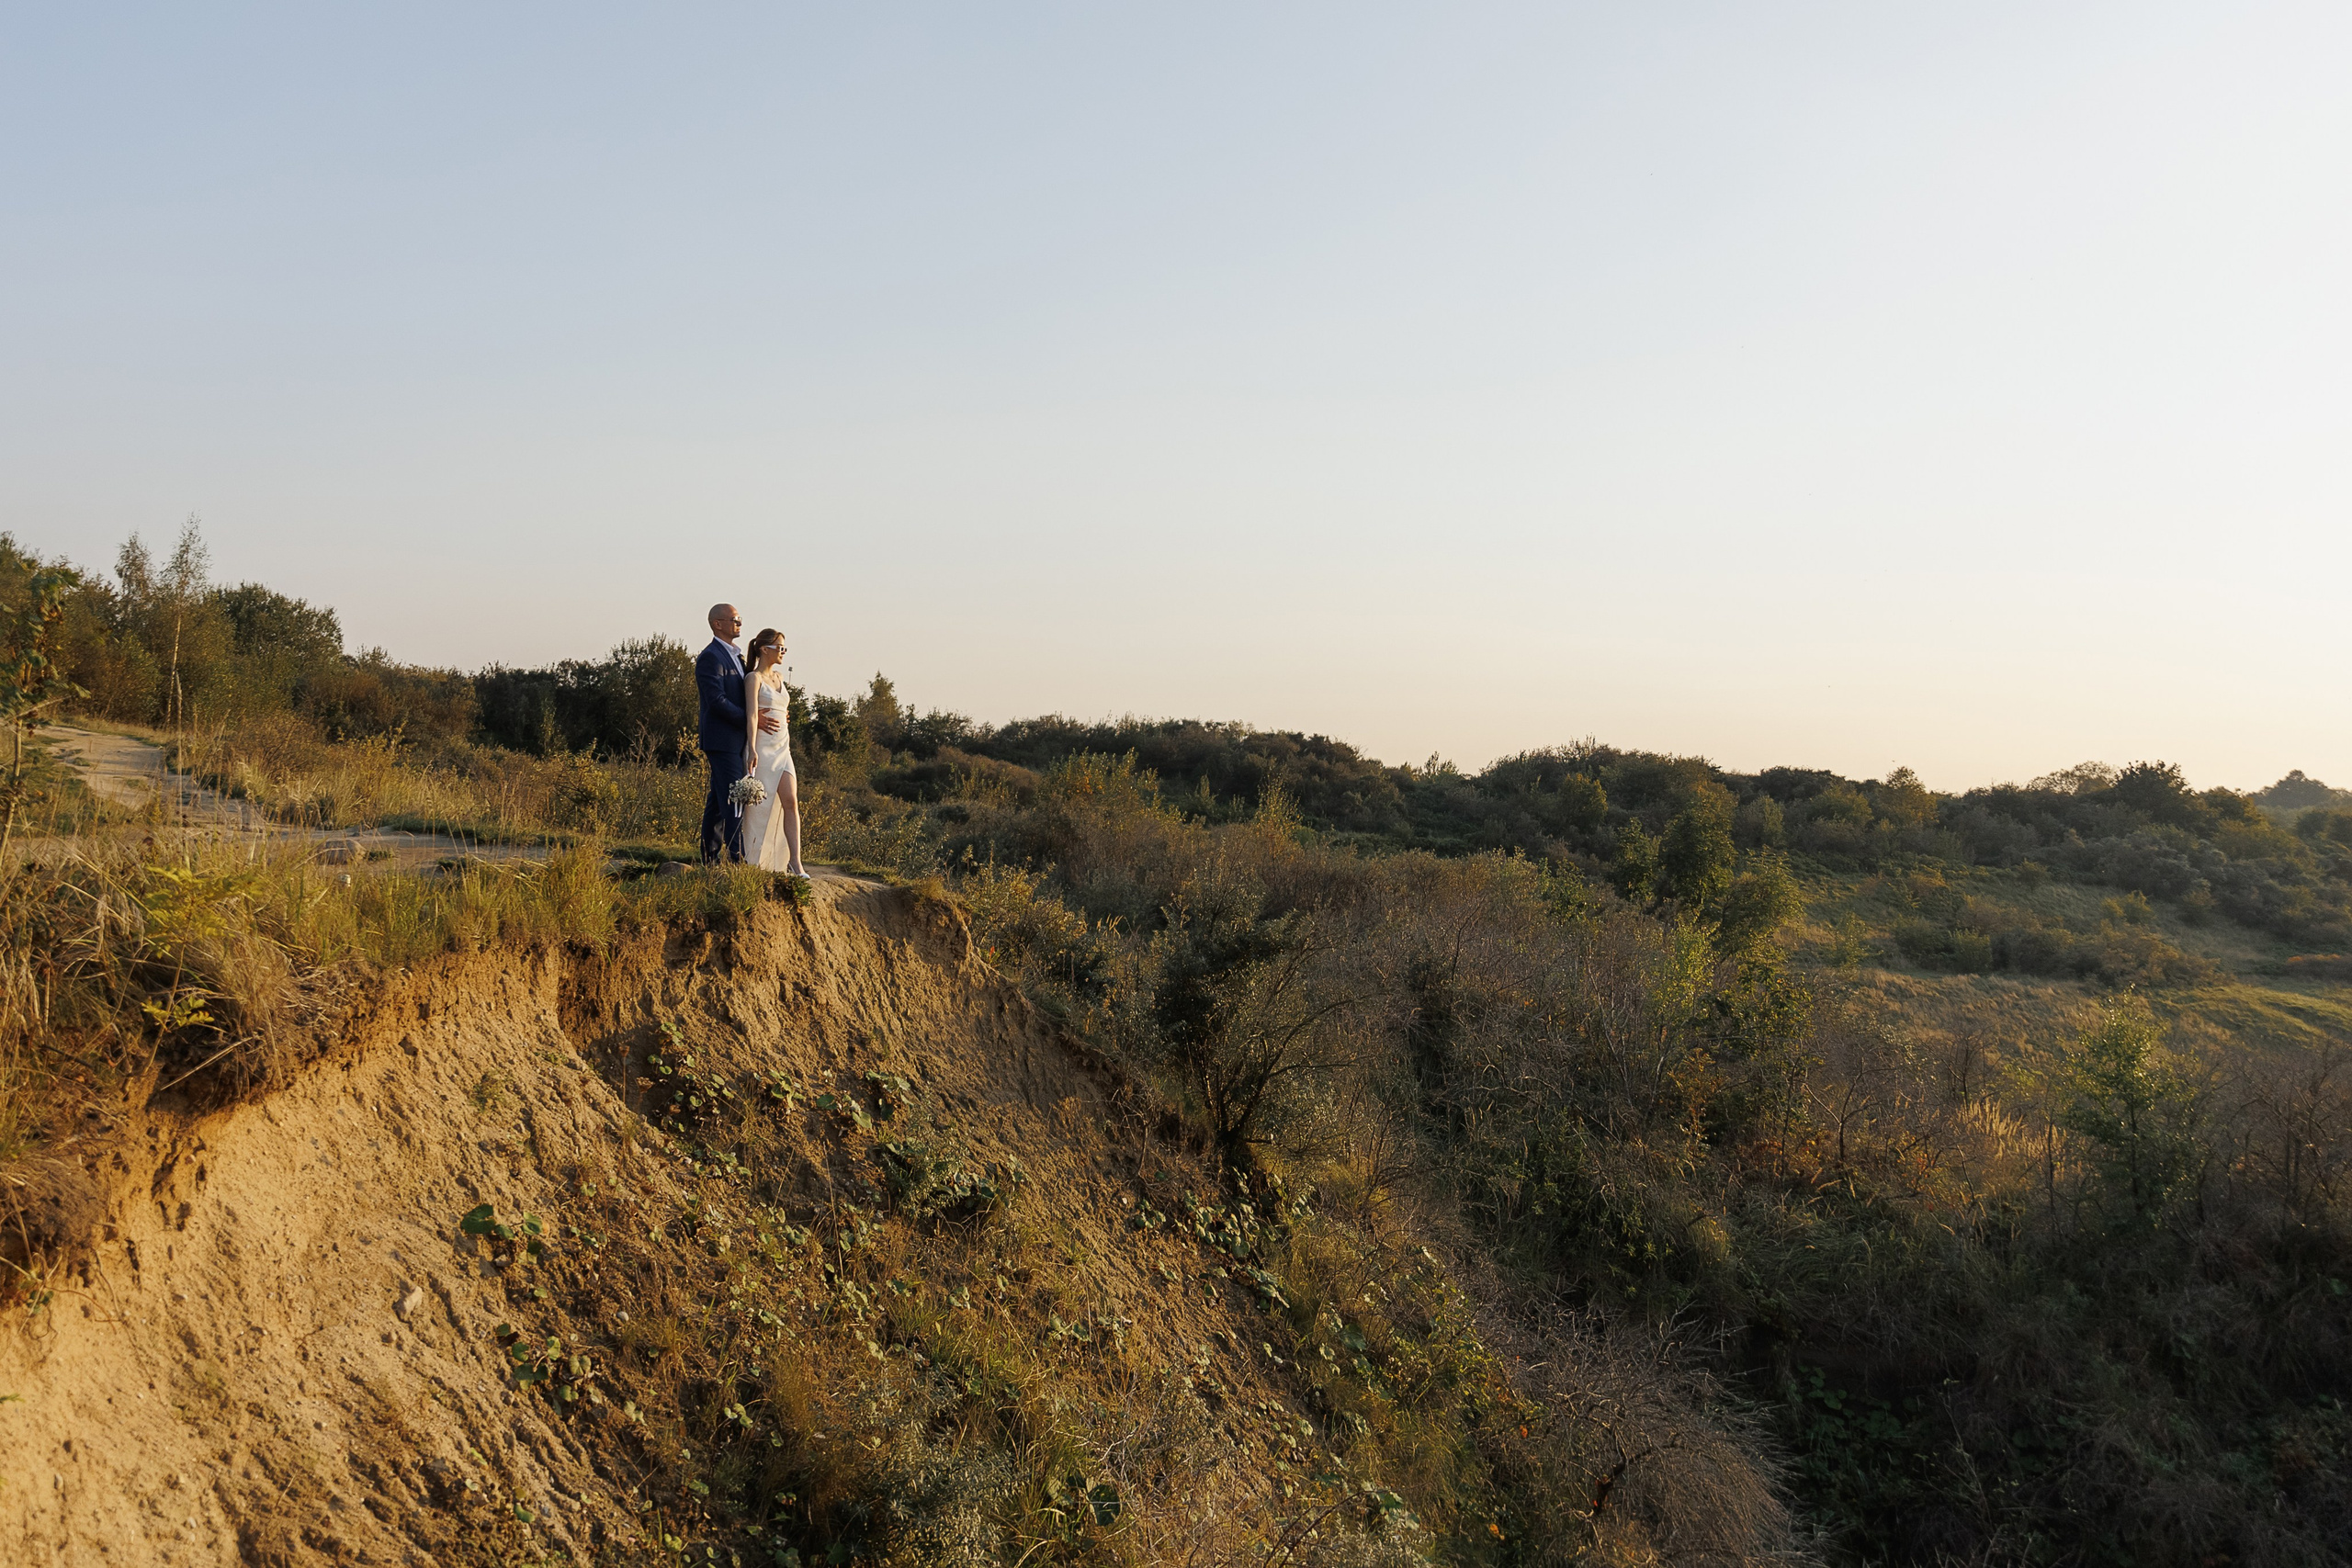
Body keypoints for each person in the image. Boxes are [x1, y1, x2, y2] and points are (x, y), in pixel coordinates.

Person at [695, 603, 779, 863]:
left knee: (718, 801)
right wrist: (751, 720)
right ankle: (737, 858)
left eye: (740, 618)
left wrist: (775, 714)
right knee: (735, 797)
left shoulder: (739, 658)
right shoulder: (710, 657)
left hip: (737, 740)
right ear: (717, 624)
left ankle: (710, 859)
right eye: (735, 619)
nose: (740, 623)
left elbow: (750, 697)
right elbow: (716, 700)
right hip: (721, 740)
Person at [739, 627, 808, 875]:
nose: (783, 652)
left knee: (791, 801)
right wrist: (751, 750)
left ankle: (795, 862)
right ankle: (752, 860)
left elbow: (780, 708)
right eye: (779, 648)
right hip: (762, 748)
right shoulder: (753, 679)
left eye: (784, 648)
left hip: (783, 747)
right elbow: (752, 715)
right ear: (764, 649)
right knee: (759, 805)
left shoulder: (779, 677)